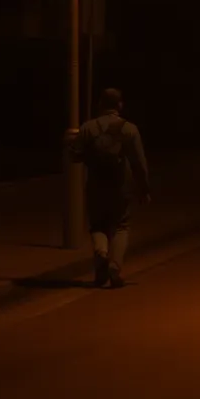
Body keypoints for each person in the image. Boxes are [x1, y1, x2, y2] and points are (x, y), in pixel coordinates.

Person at [69, 88, 151, 288]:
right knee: (122, 225)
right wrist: (144, 188)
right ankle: (114, 265)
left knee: (98, 225)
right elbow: (139, 162)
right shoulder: (129, 129)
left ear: (100, 105)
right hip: (121, 187)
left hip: (96, 186)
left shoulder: (88, 128)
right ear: (119, 105)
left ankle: (101, 252)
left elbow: (74, 156)